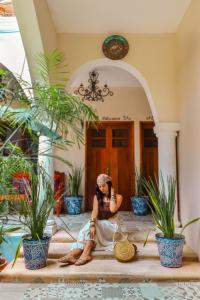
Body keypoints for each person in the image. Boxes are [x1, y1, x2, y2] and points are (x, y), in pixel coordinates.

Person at [58, 173, 123, 266]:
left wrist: (112, 192)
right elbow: (94, 212)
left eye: (104, 185)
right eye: (99, 186)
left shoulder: (119, 197)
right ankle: (74, 255)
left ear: (109, 184)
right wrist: (92, 224)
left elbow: (112, 209)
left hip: (112, 227)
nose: (101, 188)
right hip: (100, 225)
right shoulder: (97, 197)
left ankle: (82, 254)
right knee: (91, 226)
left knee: (93, 226)